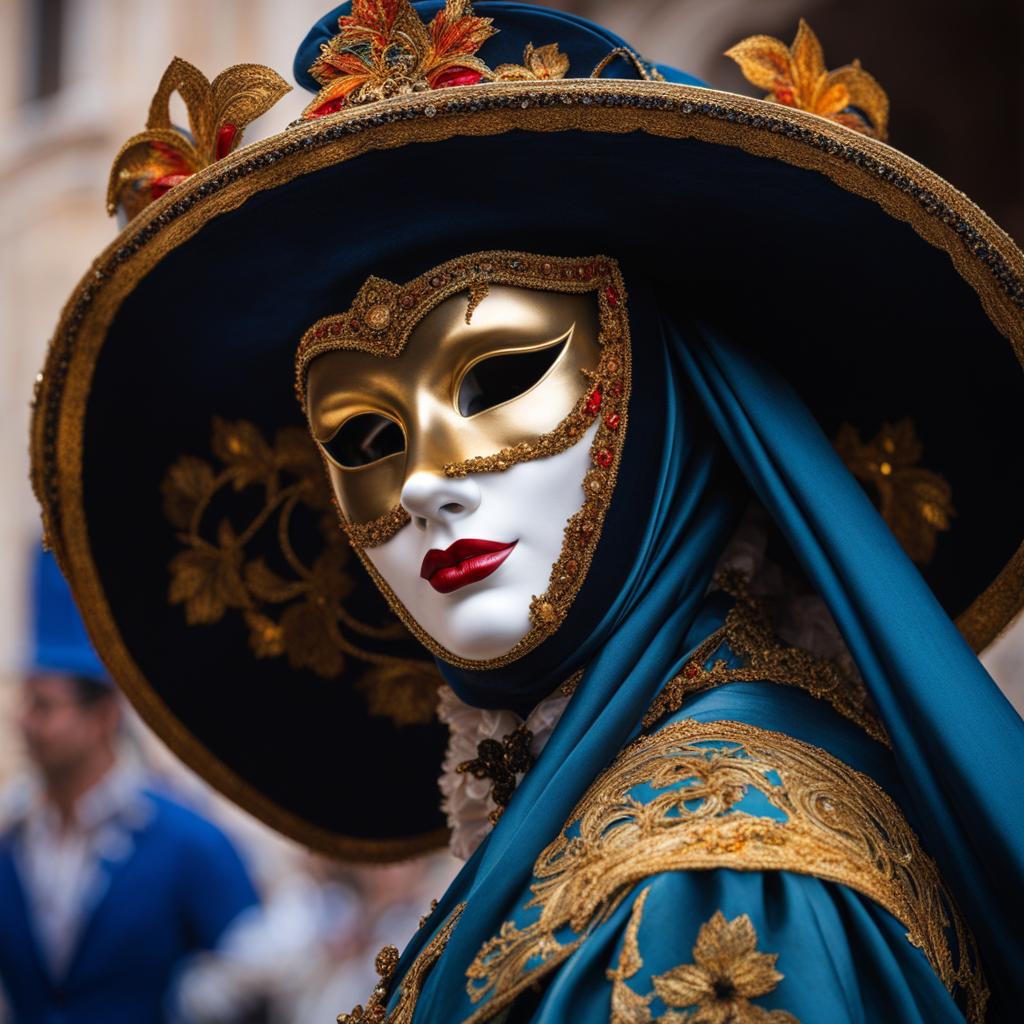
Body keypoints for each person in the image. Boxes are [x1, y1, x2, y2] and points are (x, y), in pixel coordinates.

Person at [28, 2, 1024, 1021]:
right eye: (366, 437)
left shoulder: (718, 876)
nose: (422, 483)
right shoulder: (645, 791)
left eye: (497, 377)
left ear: (661, 412)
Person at [0, 550, 259, 1024]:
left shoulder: (190, 842)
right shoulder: (11, 840)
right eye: (23, 702)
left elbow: (257, 975)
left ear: (104, 715)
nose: (23, 721)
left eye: (43, 706)